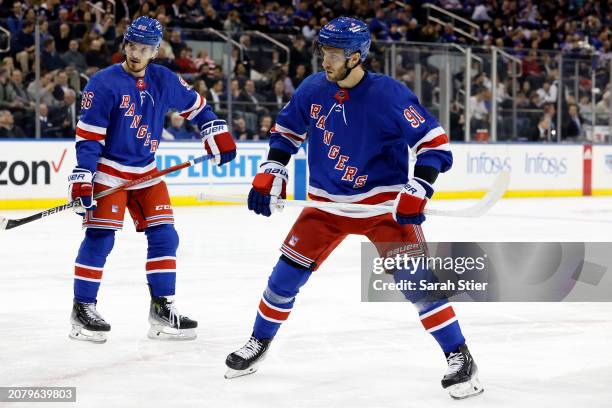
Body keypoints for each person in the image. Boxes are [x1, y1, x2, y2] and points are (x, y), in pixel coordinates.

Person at [224, 17, 483, 400]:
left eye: (332, 54)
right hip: (326, 208)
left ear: (356, 56)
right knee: (282, 280)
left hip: (383, 211)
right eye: (322, 52)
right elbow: (287, 131)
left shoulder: (389, 95)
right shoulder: (313, 88)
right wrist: (273, 167)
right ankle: (258, 342)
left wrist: (420, 185)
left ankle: (460, 357)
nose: (324, 61)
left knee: (419, 286)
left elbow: (434, 144)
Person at [68, 16, 237, 343]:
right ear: (125, 44)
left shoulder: (164, 79)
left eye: (145, 48)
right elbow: (89, 138)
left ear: (155, 51)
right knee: (101, 238)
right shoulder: (103, 83)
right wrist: (84, 174)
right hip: (109, 171)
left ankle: (161, 309)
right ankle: (82, 309)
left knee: (165, 236)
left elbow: (199, 109)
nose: (136, 52)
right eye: (132, 45)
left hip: (146, 171)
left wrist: (216, 132)